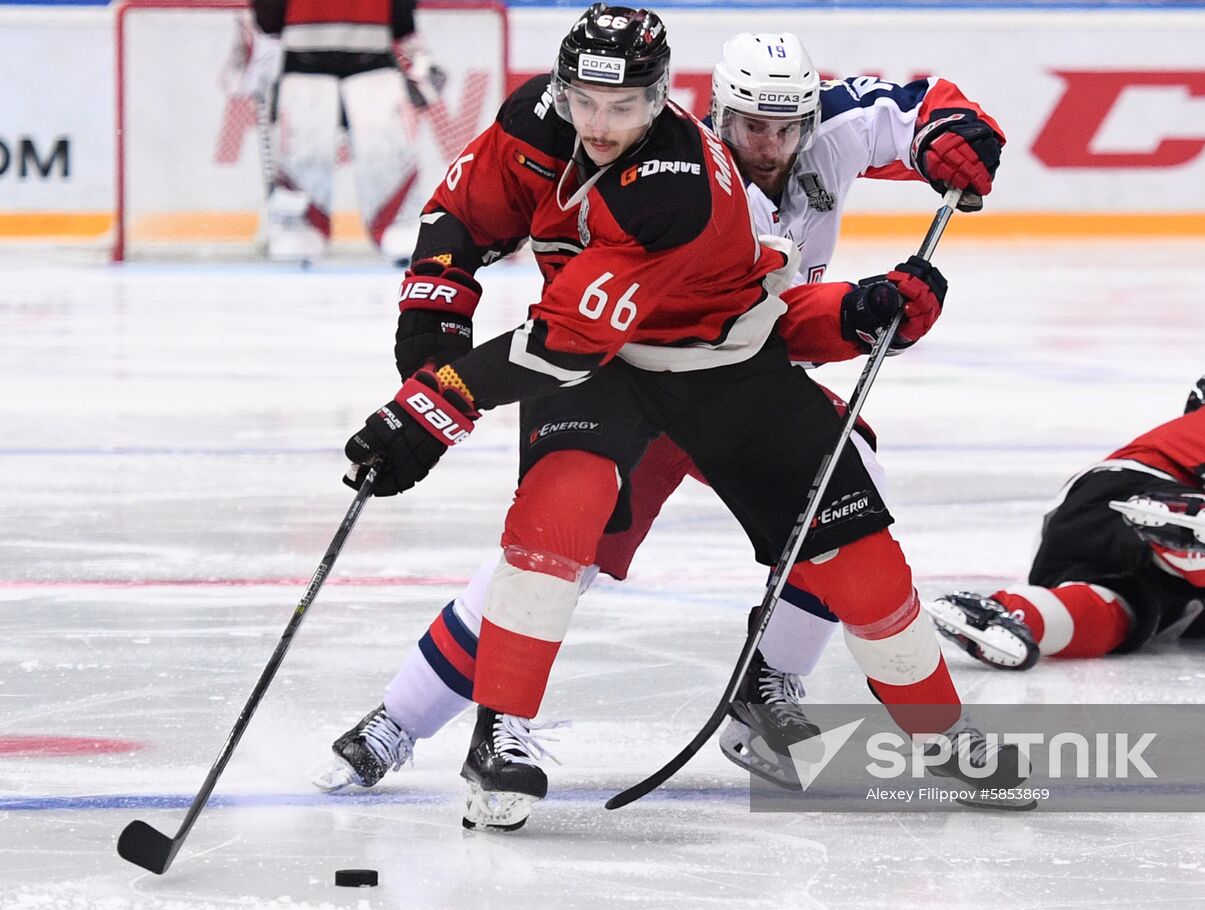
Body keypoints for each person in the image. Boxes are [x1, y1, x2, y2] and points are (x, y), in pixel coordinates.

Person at [320, 5, 1022, 830]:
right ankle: (414, 718)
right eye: (749, 126)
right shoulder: (647, 161)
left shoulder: (709, 172)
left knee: (849, 511)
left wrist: (957, 140)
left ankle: (776, 687)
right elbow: (507, 254)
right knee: (556, 535)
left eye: (785, 127)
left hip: (717, 367)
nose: (768, 146)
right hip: (613, 368)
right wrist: (434, 335)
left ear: (660, 101)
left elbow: (913, 119)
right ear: (712, 110)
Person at [929, 370, 1205, 669]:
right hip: (1123, 496)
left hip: (1091, 547)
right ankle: (1170, 523)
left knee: (1118, 621)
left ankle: (1008, 615)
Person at [224, 0, 446, 262]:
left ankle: (398, 222)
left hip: (363, 51)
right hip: (310, 55)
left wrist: (266, 27)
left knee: (384, 147)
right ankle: (300, 225)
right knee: (306, 149)